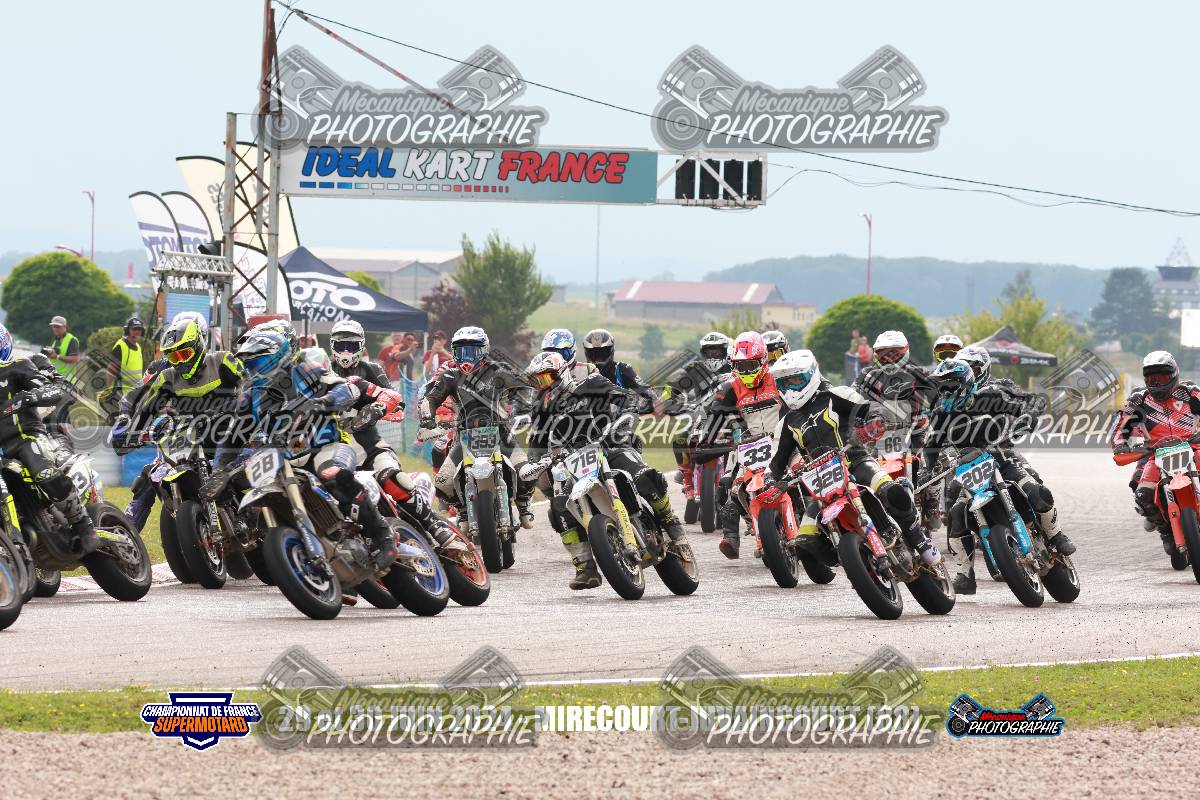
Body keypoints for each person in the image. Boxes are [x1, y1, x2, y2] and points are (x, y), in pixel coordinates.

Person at [234, 324, 398, 569]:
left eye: (258, 363)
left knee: (334, 475)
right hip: (286, 457)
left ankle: (381, 534)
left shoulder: (307, 371)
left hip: (326, 445)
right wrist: (223, 466)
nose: (253, 369)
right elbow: (233, 434)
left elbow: (346, 390)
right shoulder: (250, 395)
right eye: (249, 364)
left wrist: (321, 403)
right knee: (263, 493)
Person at [522, 350, 687, 589]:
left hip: (610, 444)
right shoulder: (541, 407)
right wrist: (535, 461)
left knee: (644, 476)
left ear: (562, 373)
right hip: (573, 459)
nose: (542, 385)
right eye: (537, 381)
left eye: (546, 378)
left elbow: (624, 397)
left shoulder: (591, 384)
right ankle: (585, 566)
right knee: (559, 507)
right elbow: (537, 439)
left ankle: (669, 519)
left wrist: (627, 413)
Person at [768, 349, 940, 567]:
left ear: (811, 375)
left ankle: (920, 541)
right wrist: (770, 481)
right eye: (784, 383)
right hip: (821, 482)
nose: (790, 388)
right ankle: (856, 559)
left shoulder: (836, 394)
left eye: (795, 380)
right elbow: (776, 462)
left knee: (893, 492)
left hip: (855, 461)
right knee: (804, 542)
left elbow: (868, 409)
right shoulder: (785, 423)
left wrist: (875, 420)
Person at [921, 358, 1074, 594]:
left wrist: (1027, 417)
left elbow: (1032, 402)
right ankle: (964, 574)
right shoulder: (941, 414)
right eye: (943, 388)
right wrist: (928, 470)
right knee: (956, 513)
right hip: (968, 469)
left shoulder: (991, 396)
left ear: (966, 382)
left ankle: (1056, 535)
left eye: (952, 386)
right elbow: (931, 446)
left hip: (1003, 457)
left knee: (1036, 491)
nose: (947, 392)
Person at [116, 313, 246, 528]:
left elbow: (251, 384)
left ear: (200, 341)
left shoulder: (222, 360)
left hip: (231, 435)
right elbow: (136, 399)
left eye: (184, 353)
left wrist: (241, 406)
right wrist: (126, 425)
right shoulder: (163, 372)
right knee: (152, 473)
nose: (180, 362)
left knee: (257, 456)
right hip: (185, 440)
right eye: (174, 356)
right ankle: (127, 531)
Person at [328, 320, 451, 545]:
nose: (346, 352)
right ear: (332, 346)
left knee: (392, 477)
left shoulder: (370, 369)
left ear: (361, 346)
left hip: (368, 446)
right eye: (341, 345)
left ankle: (434, 525)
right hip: (331, 451)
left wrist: (376, 409)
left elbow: (398, 403)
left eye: (351, 346)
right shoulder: (321, 372)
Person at [418, 326, 536, 528]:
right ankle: (463, 511)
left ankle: (523, 504)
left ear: (483, 350)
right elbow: (431, 398)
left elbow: (523, 390)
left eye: (471, 351)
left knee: (527, 472)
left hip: (500, 432)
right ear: (454, 353)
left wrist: (522, 410)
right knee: (442, 484)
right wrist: (427, 418)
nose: (466, 357)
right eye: (460, 352)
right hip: (464, 436)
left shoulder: (499, 370)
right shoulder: (449, 375)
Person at [0, 322, 98, 553]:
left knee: (43, 469)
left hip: (27, 436)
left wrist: (29, 397)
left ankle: (82, 523)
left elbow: (55, 389)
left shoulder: (19, 365)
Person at [700, 332, 782, 558]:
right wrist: (705, 439)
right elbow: (714, 415)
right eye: (740, 366)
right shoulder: (729, 387)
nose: (745, 371)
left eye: (750, 365)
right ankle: (732, 536)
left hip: (783, 440)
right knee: (730, 486)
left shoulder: (779, 378)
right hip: (749, 444)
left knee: (805, 474)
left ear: (763, 360)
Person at [1112, 351, 1200, 559]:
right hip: (1156, 453)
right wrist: (1120, 445)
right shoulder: (1138, 400)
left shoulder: (1191, 393)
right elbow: (1121, 428)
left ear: (1174, 374)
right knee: (1142, 494)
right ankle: (1166, 530)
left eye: (1162, 377)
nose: (1157, 382)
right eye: (1152, 378)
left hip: (1194, 446)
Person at [660, 331, 733, 499]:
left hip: (729, 415)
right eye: (709, 351)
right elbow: (672, 386)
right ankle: (687, 479)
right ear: (703, 352)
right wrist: (667, 400)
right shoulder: (694, 369)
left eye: (716, 351)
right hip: (702, 415)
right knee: (680, 438)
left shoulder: (734, 366)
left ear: (725, 351)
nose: (713, 355)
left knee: (740, 440)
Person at [582, 328, 656, 413]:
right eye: (594, 354)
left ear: (611, 351)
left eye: (603, 353)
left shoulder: (622, 369)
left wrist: (644, 404)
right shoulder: (580, 370)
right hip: (585, 418)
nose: (598, 358)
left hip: (620, 418)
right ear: (587, 353)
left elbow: (646, 390)